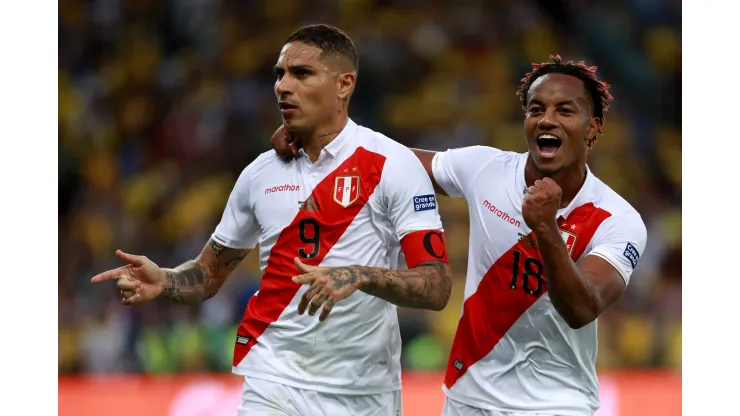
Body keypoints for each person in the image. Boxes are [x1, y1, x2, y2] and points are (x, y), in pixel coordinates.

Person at [91, 24, 453, 416]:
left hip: (363, 392)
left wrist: (359, 275)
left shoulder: (392, 163)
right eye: (280, 74)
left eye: (301, 73)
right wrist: (165, 280)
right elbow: (208, 275)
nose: (283, 85)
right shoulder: (259, 174)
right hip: (273, 383)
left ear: (344, 84)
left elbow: (436, 286)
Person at [272, 56, 648, 416]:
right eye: (536, 109)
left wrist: (546, 228)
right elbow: (388, 163)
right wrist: (320, 139)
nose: (546, 120)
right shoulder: (487, 168)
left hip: (555, 404)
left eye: (565, 110)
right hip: (467, 398)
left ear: (593, 128)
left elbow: (582, 309)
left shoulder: (618, 221)